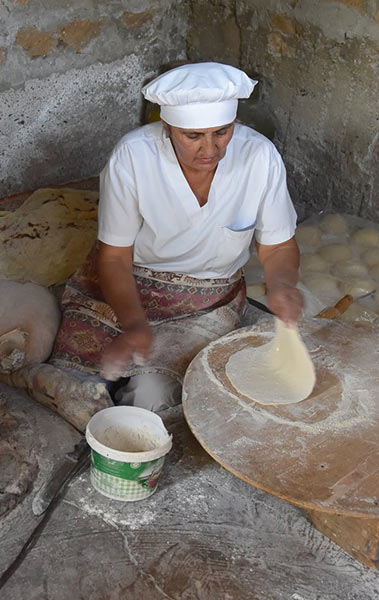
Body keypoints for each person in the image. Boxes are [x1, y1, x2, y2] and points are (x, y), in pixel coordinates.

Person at [50, 62, 303, 412]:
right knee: (74, 387)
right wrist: (134, 323)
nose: (210, 149)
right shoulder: (134, 156)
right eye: (193, 136)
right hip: (131, 282)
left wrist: (282, 286)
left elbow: (277, 246)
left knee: (154, 398)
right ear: (167, 126)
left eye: (222, 131)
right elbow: (113, 258)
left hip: (207, 299)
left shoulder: (260, 157)